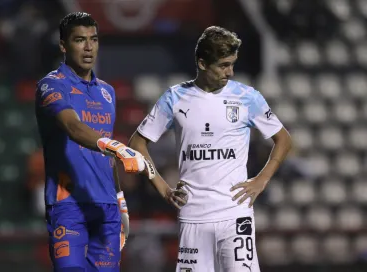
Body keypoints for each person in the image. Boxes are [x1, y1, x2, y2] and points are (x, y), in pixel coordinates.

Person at [129, 26, 292, 272]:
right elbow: (137, 144)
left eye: (232, 64)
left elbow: (284, 139)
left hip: (236, 215)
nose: (231, 72)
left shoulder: (248, 97)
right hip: (193, 216)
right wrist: (163, 188)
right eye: (223, 65)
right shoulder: (175, 98)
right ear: (202, 63)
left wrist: (262, 179)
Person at [34, 12, 186, 272]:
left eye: (93, 39)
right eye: (80, 40)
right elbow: (73, 127)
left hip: (107, 209)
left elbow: (105, 158)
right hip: (69, 205)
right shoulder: (51, 86)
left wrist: (120, 200)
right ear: (63, 45)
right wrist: (115, 146)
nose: (88, 47)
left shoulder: (107, 92)